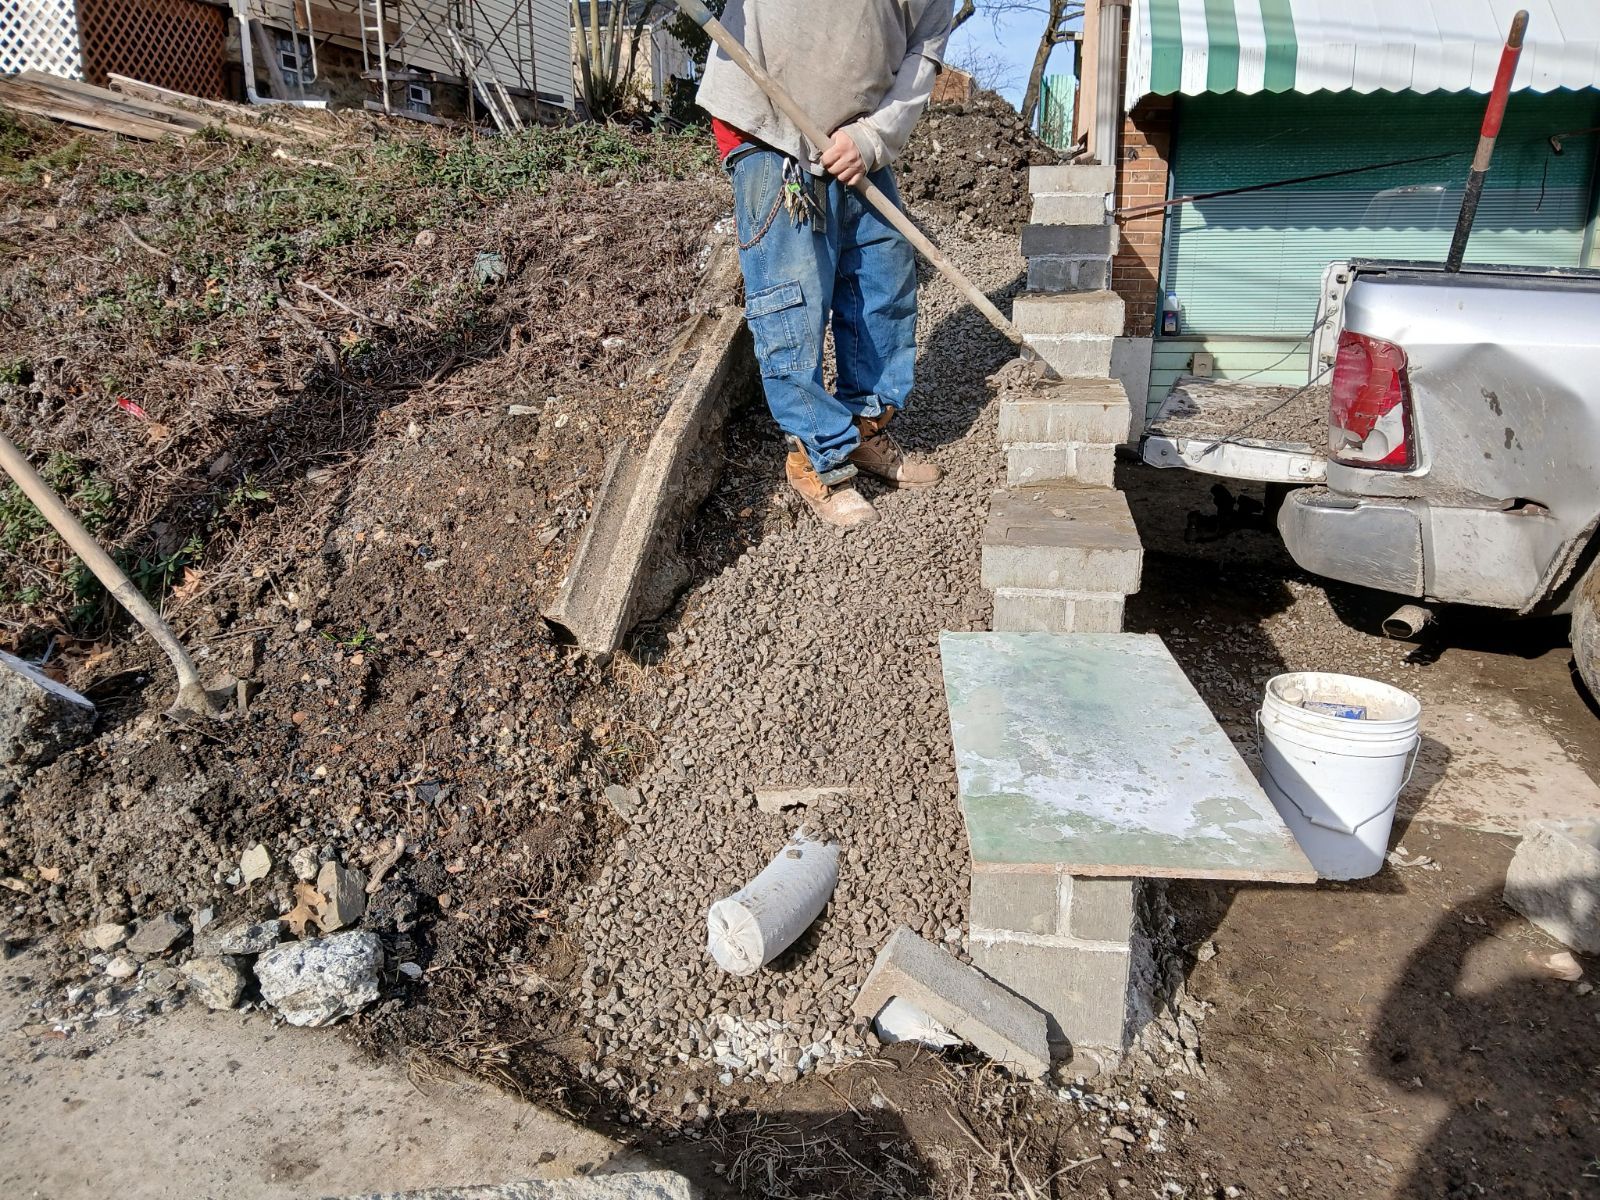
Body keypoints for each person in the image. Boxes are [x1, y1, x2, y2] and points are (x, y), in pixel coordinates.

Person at [697, 0, 953, 528]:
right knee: (792, 301)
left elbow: (919, 64)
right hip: (769, 127)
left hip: (858, 138)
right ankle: (819, 456)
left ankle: (862, 429)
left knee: (884, 283)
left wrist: (871, 139)